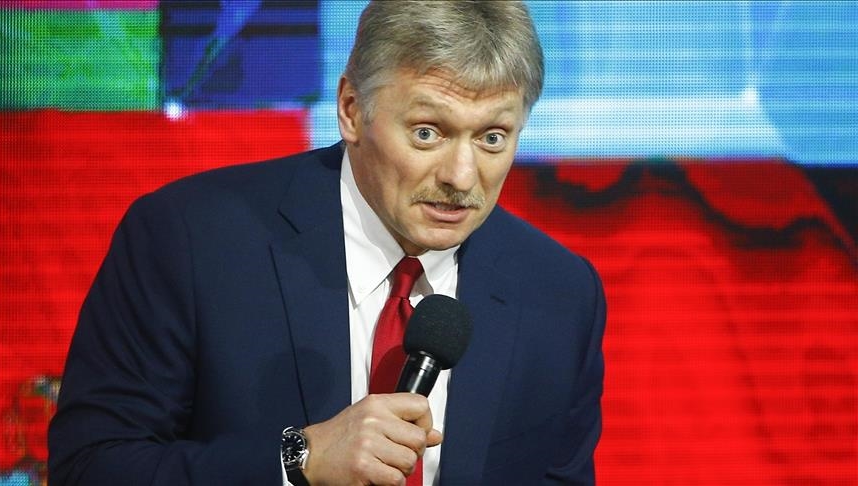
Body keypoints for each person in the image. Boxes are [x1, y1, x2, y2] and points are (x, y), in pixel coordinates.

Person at [48, 1, 605, 485]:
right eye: (427, 132)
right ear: (352, 110)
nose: (461, 177)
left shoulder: (560, 294)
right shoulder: (189, 241)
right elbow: (90, 467)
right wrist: (300, 462)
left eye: (492, 137)